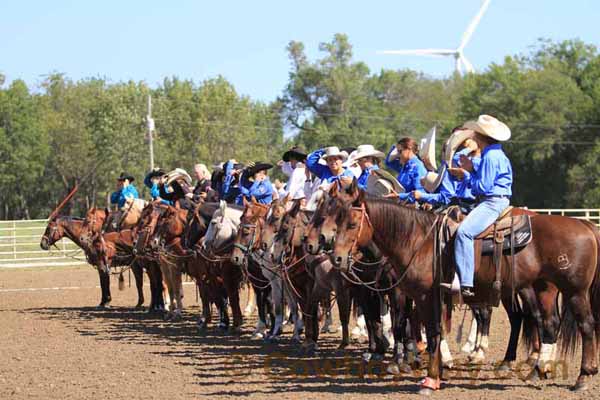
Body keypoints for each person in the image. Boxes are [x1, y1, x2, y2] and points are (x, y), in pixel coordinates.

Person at [445, 115, 513, 297]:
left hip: (492, 202)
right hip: (495, 199)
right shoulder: (494, 154)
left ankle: (466, 281)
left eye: (475, 134)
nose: (472, 137)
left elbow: (483, 187)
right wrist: (472, 169)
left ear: (482, 136)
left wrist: (466, 174)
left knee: (464, 232)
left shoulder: (490, 156)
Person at [384, 137, 427, 203]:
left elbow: (420, 193)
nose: (398, 155)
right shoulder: (405, 166)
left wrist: (399, 196)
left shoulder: (418, 167)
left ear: (409, 149)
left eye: (400, 151)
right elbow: (388, 162)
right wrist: (394, 148)